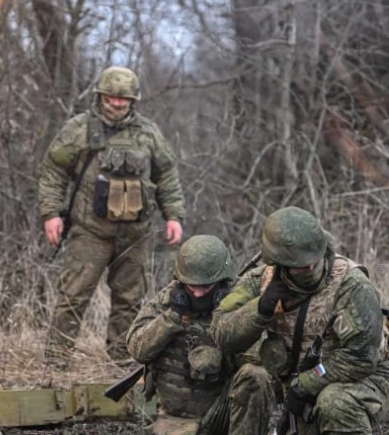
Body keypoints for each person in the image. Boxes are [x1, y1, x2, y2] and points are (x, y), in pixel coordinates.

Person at [38, 66, 186, 368]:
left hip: (136, 234)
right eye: (111, 97)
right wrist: (51, 213)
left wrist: (174, 215)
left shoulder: (148, 133)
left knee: (129, 300)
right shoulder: (80, 129)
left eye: (124, 98)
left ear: (134, 100)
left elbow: (167, 174)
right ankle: (56, 364)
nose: (117, 103)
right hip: (90, 231)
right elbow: (54, 170)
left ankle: (120, 363)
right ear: (100, 96)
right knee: (73, 296)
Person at [211, 206, 389, 434]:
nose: (311, 268)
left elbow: (361, 357)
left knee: (335, 402)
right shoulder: (261, 280)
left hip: (360, 378)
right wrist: (260, 309)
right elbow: (220, 332)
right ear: (279, 263)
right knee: (253, 378)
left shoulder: (352, 286)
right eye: (301, 267)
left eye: (314, 261)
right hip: (291, 378)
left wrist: (307, 383)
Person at [126, 235, 234, 434]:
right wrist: (172, 317)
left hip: (222, 415)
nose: (198, 294)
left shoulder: (237, 303)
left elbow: (258, 369)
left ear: (221, 282)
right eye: (192, 286)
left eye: (206, 286)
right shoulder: (166, 301)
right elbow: (137, 350)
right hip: (175, 418)